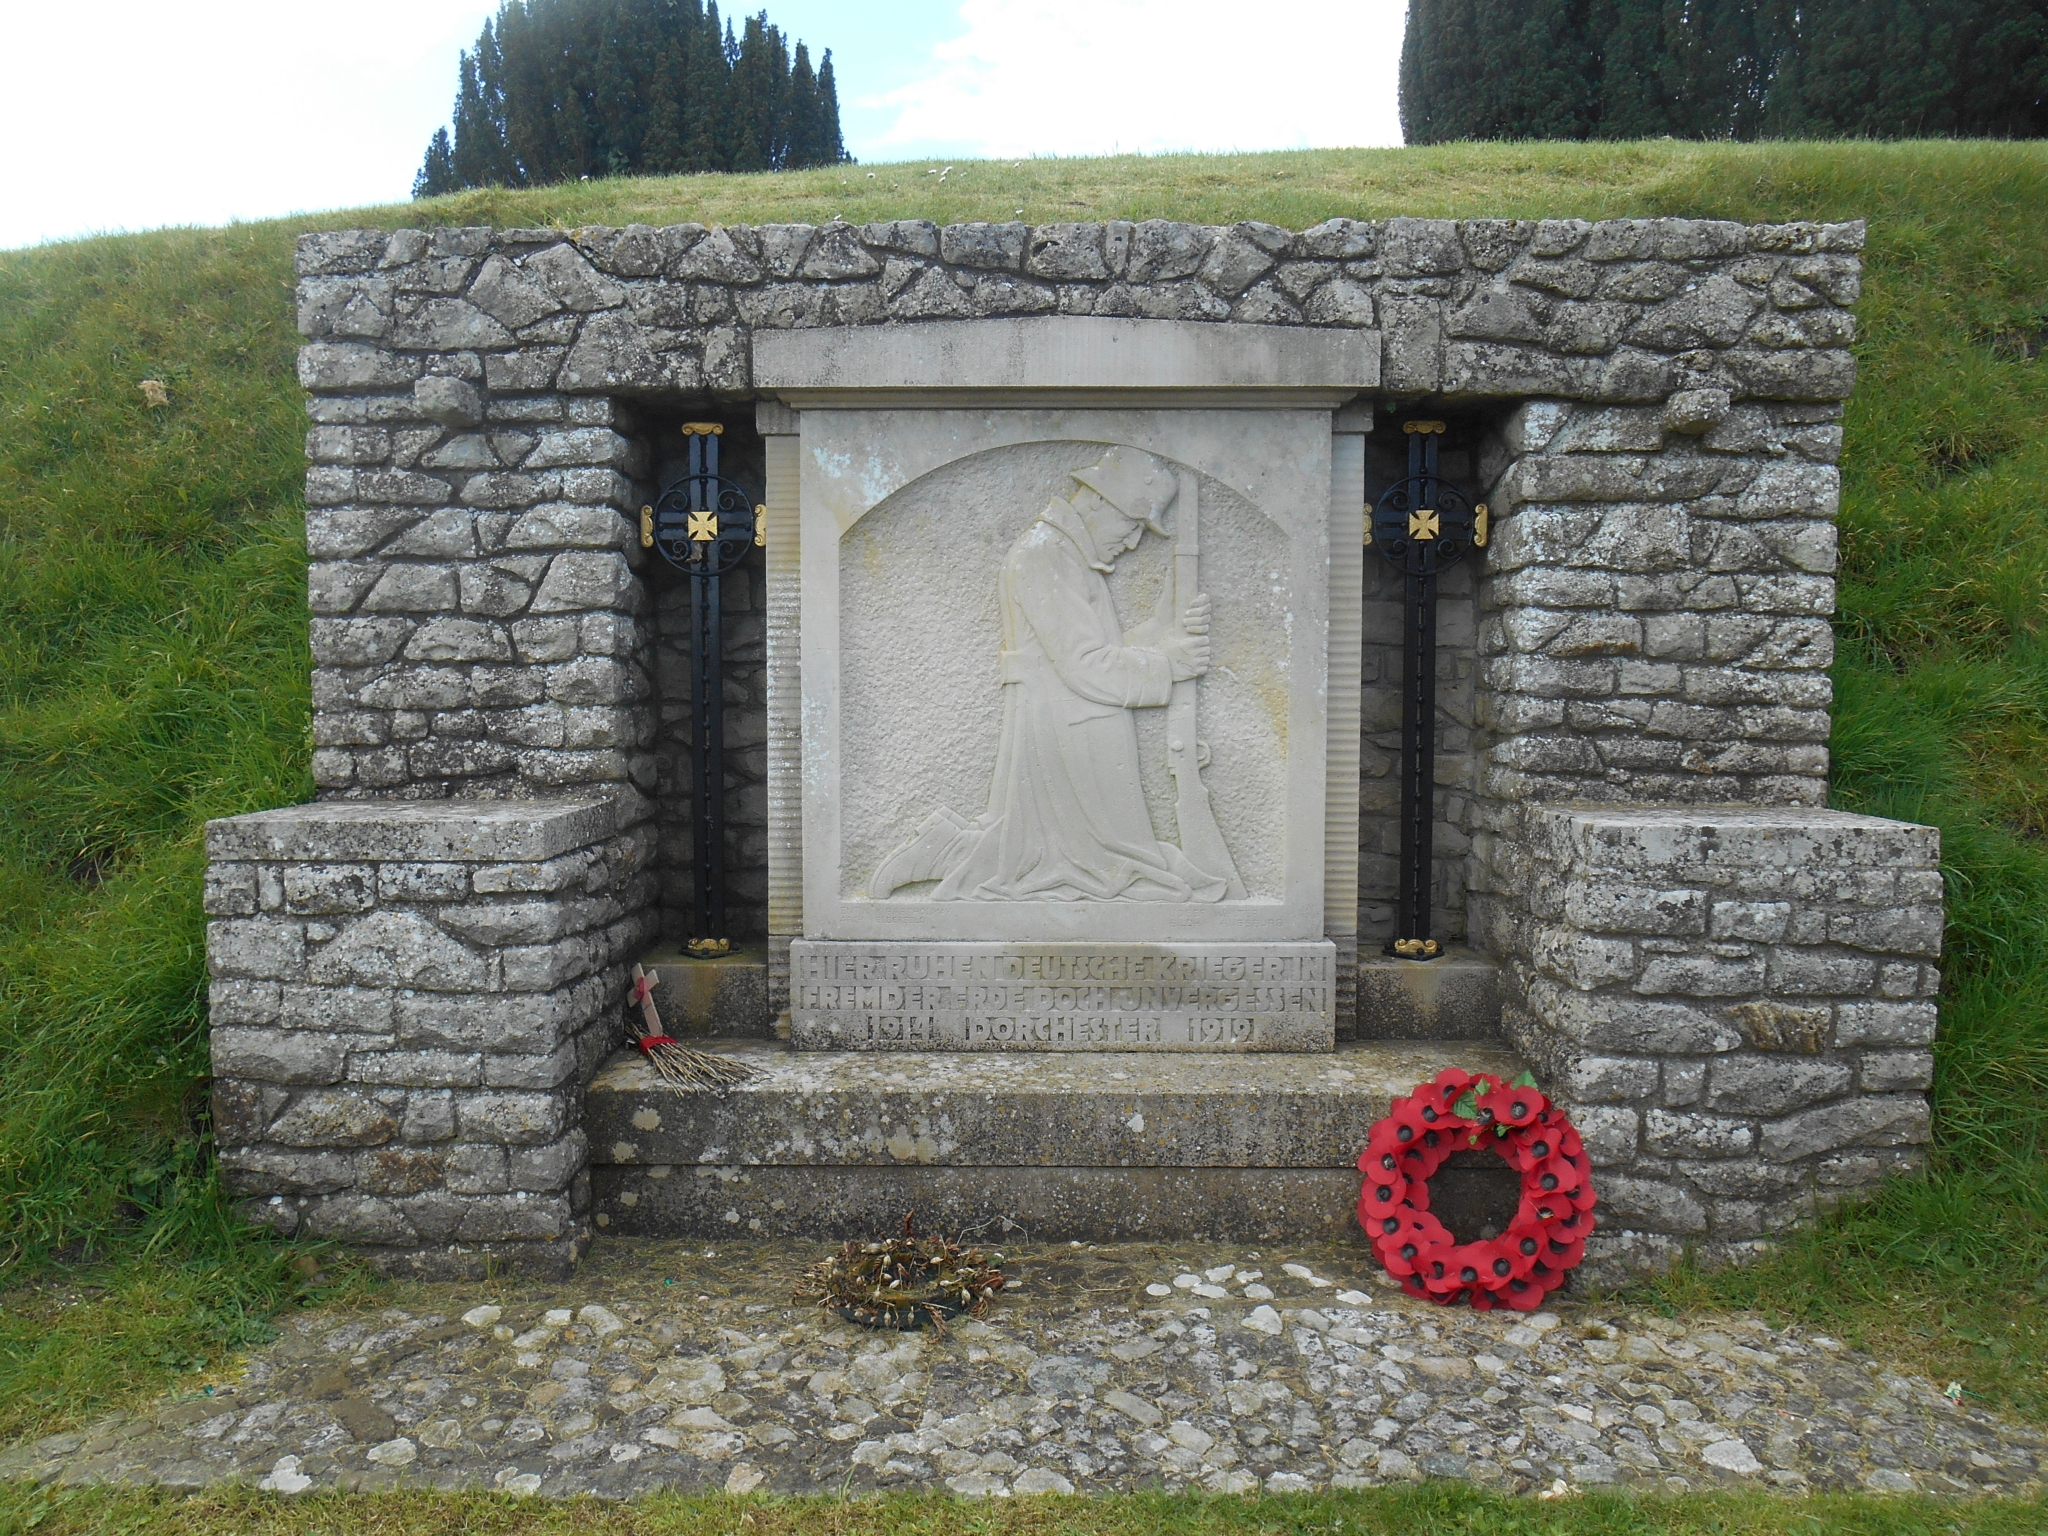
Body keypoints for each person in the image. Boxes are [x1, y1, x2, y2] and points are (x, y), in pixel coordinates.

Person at [871, 446, 1226, 903]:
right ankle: (949, 850)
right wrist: (1170, 665)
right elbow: (1085, 665)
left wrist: (1164, 627)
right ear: (1097, 500)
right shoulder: (1045, 556)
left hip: (1077, 724)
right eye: (1132, 523)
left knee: (1087, 860)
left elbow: (1095, 648)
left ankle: (949, 847)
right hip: (1065, 729)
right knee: (1095, 868)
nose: (1135, 541)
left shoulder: (1067, 555)